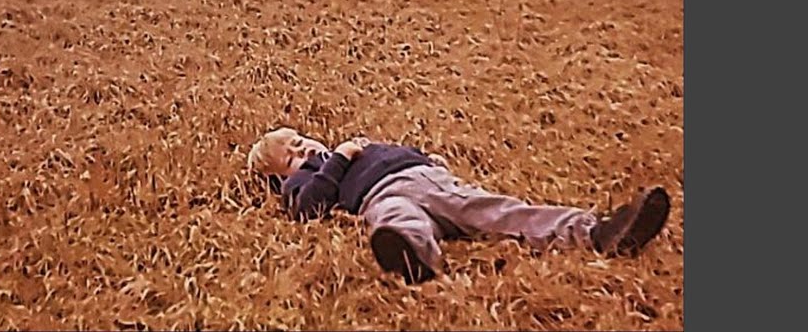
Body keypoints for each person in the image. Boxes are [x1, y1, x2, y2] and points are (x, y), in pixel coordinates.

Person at [246, 127, 671, 284]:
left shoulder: (362, 145)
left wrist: (428, 160)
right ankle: (413, 258)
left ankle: (596, 231)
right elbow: (307, 209)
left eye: (299, 141)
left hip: (421, 179)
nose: (302, 151)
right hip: (380, 197)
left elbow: (400, 153)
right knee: (395, 221)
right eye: (291, 156)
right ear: (281, 178)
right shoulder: (310, 177)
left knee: (494, 211)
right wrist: (336, 159)